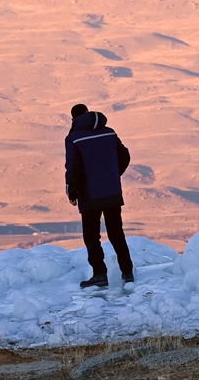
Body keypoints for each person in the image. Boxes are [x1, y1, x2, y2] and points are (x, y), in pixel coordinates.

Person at [65, 103, 134, 288]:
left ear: (74, 118)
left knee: (91, 236)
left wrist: (72, 191)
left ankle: (100, 275)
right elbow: (125, 155)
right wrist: (113, 175)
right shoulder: (109, 132)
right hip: (111, 191)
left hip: (89, 194)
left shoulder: (74, 138)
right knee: (116, 233)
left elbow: (73, 167)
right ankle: (127, 273)